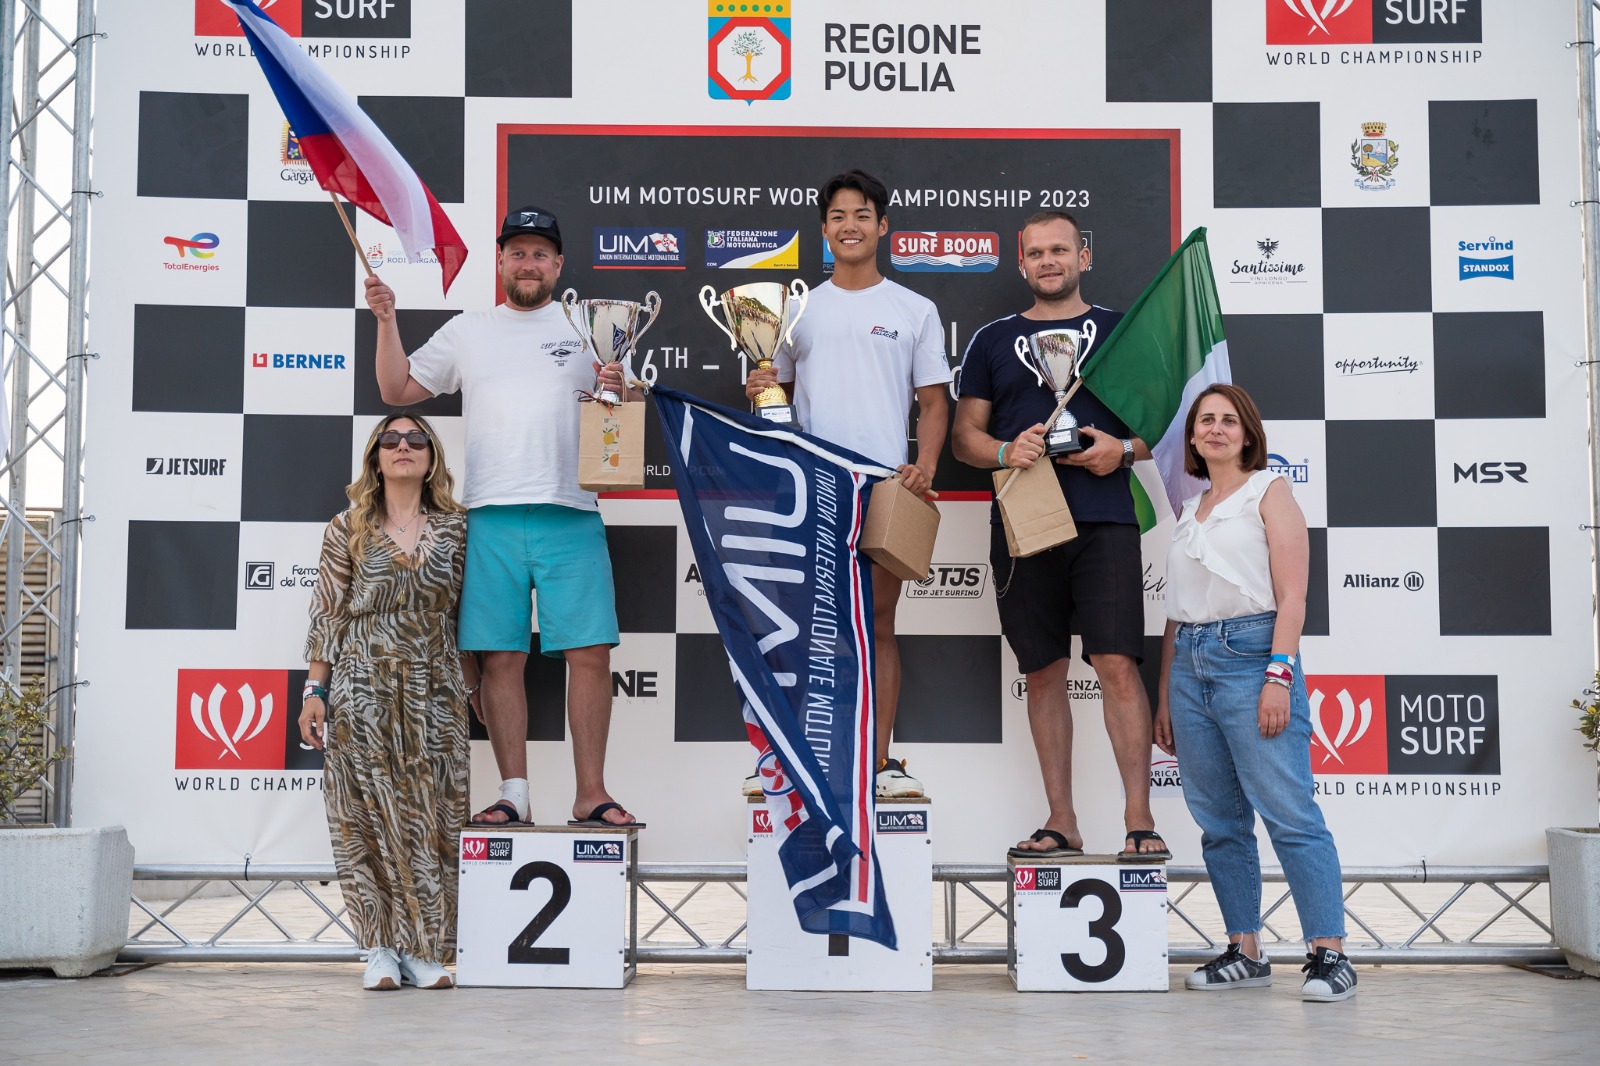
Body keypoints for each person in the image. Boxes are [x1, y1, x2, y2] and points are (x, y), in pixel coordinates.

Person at [364, 206, 643, 830]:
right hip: (489, 515)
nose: (528, 263)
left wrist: (619, 387)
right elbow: (397, 390)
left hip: (573, 510)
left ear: (559, 264)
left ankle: (591, 794)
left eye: (540, 253)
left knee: (590, 655)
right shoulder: (470, 329)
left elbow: (628, 407)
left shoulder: (590, 326)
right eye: (517, 252)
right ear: (500, 261)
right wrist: (386, 321)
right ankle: (513, 795)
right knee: (499, 659)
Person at [951, 210, 1168, 861]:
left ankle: (1139, 821)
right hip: (1026, 520)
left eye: (1060, 250)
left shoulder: (1120, 332)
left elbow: (1166, 421)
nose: (1049, 261)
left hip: (1105, 517)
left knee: (1116, 664)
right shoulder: (992, 340)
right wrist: (1004, 451)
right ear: (1021, 263)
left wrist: (1121, 451)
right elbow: (963, 438)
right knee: (1043, 672)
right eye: (1037, 253)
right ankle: (1062, 821)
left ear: (1084, 257)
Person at [743, 167, 951, 798]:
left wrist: (925, 468)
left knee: (878, 624)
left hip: (886, 488)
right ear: (824, 229)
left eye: (862, 214)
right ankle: (800, 758)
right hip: (810, 488)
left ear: (882, 226)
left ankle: (878, 763)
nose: (849, 225)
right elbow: (772, 396)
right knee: (807, 627)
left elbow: (934, 404)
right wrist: (758, 387)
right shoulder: (794, 310)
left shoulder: (914, 309)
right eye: (837, 216)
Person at [1155, 383, 1355, 1001]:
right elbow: (1176, 613)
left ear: (1247, 434)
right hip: (1189, 665)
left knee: (1290, 813)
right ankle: (1245, 950)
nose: (1215, 428)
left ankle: (1330, 954)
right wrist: (1165, 695)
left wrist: (1278, 675)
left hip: (1252, 656)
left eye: (1228, 420)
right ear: (1192, 437)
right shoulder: (1190, 509)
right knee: (1219, 821)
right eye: (1205, 420)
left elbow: (1292, 597)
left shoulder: (1270, 491)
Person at [300, 412, 476, 991]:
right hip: (362, 687)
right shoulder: (346, 526)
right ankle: (379, 948)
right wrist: (314, 691)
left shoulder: (457, 528)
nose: (404, 446)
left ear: (432, 457)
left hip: (436, 689)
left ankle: (424, 949)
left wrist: (474, 686)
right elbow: (327, 613)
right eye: (391, 440)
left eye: (416, 439)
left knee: (431, 817)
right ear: (375, 457)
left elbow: (471, 614)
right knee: (366, 817)